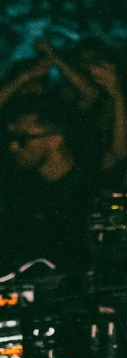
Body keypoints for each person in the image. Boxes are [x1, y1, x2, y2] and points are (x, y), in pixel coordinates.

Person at [1, 97, 97, 267]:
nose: (13, 147)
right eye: (11, 138)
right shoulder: (19, 190)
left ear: (55, 140)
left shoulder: (89, 190)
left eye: (23, 139)